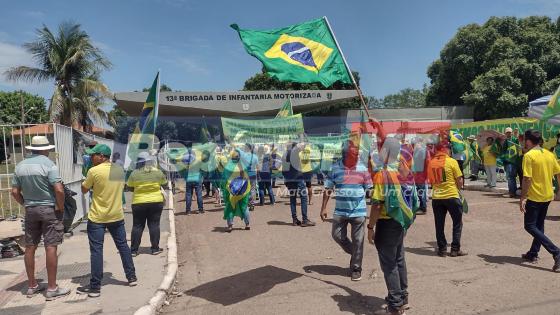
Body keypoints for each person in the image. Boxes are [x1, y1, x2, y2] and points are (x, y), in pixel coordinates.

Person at [11, 136, 70, 300]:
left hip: (31, 210)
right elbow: (58, 190)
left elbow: (15, 192)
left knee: (30, 246)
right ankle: (52, 288)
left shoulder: (20, 166)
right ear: (45, 149)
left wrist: (26, 204)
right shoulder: (49, 165)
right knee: (51, 246)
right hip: (49, 209)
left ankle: (32, 286)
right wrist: (60, 206)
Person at [78, 144, 137, 298]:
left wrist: (86, 179)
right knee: (123, 246)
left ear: (102, 156)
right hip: (116, 216)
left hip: (97, 217)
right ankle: (131, 277)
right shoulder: (119, 170)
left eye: (94, 155)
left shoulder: (93, 171)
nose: (91, 158)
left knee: (97, 251)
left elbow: (84, 189)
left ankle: (95, 287)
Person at [368, 137, 418, 315]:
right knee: (399, 260)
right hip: (401, 221)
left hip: (387, 222)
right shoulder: (404, 170)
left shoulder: (384, 174)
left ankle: (395, 305)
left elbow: (377, 204)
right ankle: (403, 297)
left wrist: (370, 227)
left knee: (389, 264)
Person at [320, 142, 372, 281]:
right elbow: (328, 188)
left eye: (357, 153)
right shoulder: (335, 168)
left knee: (358, 240)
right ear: (345, 155)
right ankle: (355, 253)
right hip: (340, 211)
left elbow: (370, 188)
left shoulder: (362, 168)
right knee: (337, 236)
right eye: (354, 154)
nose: (357, 156)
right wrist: (323, 207)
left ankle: (356, 268)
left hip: (359, 211)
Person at [519, 129, 560, 270]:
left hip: (535, 196)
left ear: (529, 141)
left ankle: (556, 251)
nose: (524, 142)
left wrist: (523, 197)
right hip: (548, 195)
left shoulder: (529, 156)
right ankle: (533, 253)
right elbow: (558, 173)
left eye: (525, 140)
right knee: (539, 225)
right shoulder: (549, 154)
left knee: (530, 226)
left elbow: (527, 178)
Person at [427, 140, 467, 257]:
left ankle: (442, 249)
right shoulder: (452, 161)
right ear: (446, 150)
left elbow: (431, 181)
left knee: (439, 224)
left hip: (437, 197)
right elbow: (459, 180)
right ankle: (455, 249)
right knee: (457, 223)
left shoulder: (431, 163)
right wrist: (458, 190)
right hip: (451, 195)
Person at [127, 152, 167, 257]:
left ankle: (134, 250)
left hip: (138, 202)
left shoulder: (134, 173)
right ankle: (155, 249)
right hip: (156, 202)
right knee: (154, 225)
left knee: (137, 226)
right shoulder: (158, 172)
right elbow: (164, 184)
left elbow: (130, 187)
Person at [283, 142, 315, 227]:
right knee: (304, 197)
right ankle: (305, 220)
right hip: (298, 178)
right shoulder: (295, 152)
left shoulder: (284, 154)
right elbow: (303, 145)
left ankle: (294, 220)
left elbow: (283, 170)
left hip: (289, 180)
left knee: (292, 198)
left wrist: (286, 180)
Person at [222, 149, 251, 232]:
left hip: (231, 191)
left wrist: (224, 188)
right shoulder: (242, 165)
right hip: (242, 190)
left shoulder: (228, 166)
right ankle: (247, 224)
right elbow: (246, 178)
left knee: (230, 207)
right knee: (244, 207)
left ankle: (230, 225)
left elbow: (224, 179)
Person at [181, 142, 204, 214]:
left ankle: (188, 211)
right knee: (199, 194)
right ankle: (200, 209)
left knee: (188, 195)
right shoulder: (198, 159)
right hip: (197, 178)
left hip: (189, 179)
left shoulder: (186, 160)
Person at [411, 137, 429, 215]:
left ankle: (423, 207)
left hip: (420, 173)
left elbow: (425, 162)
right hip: (418, 173)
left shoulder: (421, 150)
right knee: (420, 190)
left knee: (421, 190)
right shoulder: (420, 150)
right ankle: (422, 206)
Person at [502, 127, 521, 198]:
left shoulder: (514, 140)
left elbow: (518, 143)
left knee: (511, 177)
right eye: (507, 132)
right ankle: (513, 191)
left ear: (512, 133)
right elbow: (503, 151)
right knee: (510, 177)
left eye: (509, 132)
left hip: (513, 161)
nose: (508, 134)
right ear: (505, 133)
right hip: (507, 161)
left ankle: (512, 192)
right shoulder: (505, 141)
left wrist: (516, 134)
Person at [240, 143, 259, 211]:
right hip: (253, 174)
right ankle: (252, 203)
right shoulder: (255, 156)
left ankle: (247, 202)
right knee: (253, 189)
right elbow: (258, 167)